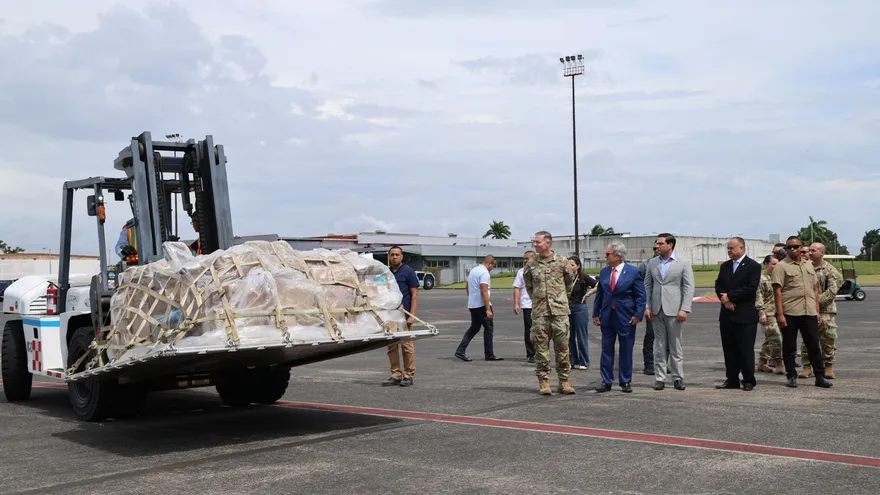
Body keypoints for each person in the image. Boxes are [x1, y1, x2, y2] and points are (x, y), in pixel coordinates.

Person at [771, 236, 833, 388]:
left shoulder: (809, 265)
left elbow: (815, 289)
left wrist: (817, 311)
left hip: (809, 312)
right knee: (790, 346)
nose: (792, 249)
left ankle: (819, 376)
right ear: (786, 249)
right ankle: (791, 376)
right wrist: (780, 314)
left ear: (801, 247)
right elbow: (777, 291)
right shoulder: (781, 266)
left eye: (796, 246)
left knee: (813, 346)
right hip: (790, 312)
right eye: (789, 247)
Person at [523, 231, 576, 395]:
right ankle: (544, 382)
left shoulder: (562, 262)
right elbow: (529, 286)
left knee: (563, 348)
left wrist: (560, 299)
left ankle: (564, 381)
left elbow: (569, 284)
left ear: (548, 243)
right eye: (534, 242)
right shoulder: (531, 264)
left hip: (559, 312)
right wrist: (538, 301)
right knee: (541, 349)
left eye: (537, 242)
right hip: (540, 313)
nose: (535, 244)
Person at [592, 242, 646, 393]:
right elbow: (600, 295)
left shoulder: (633, 272)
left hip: (626, 317)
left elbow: (641, 296)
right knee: (606, 349)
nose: (605, 257)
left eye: (607, 254)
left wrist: (638, 315)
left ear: (617, 256)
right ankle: (606, 381)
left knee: (626, 349)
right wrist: (596, 314)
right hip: (607, 316)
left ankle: (625, 381)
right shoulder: (604, 272)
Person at [644, 233, 695, 391]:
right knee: (659, 345)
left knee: (675, 346)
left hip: (674, 310)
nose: (657, 246)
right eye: (657, 244)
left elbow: (688, 287)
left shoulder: (683, 263)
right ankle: (659, 378)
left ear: (670, 245)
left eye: (660, 244)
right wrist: (647, 306)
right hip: (656, 309)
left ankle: (678, 377)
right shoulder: (652, 263)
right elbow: (647, 285)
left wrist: (684, 308)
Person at [714, 237, 762, 390]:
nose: (729, 251)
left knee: (745, 349)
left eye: (732, 248)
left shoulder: (753, 266)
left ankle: (748, 380)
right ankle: (732, 379)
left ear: (742, 248)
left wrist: (731, 296)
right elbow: (719, 285)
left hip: (745, 314)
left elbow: (750, 288)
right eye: (728, 248)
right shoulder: (725, 266)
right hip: (727, 314)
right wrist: (725, 300)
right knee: (729, 349)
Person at [799, 242, 843, 380]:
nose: (809, 253)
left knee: (828, 339)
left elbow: (831, 292)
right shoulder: (804, 268)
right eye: (809, 250)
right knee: (808, 339)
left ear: (822, 253)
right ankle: (807, 366)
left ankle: (828, 366)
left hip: (826, 311)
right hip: (807, 310)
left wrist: (814, 303)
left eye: (813, 250)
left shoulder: (831, 271)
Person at [382, 246, 420, 387]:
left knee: (406, 346)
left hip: (405, 315)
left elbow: (414, 295)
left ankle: (409, 375)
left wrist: (412, 316)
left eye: (397, 255)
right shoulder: (387, 272)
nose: (394, 257)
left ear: (402, 256)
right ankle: (396, 374)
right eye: (392, 255)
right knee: (391, 346)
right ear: (389, 256)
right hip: (391, 315)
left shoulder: (408, 272)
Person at [455, 256, 502, 362]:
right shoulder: (484, 273)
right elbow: (484, 291)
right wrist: (488, 309)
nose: (492, 269)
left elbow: (467, 286)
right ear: (489, 263)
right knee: (488, 328)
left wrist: (472, 297)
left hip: (473, 304)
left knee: (475, 328)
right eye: (493, 266)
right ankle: (489, 354)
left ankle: (460, 349)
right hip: (481, 305)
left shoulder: (474, 270)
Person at [755, 255, 784, 374]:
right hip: (767, 313)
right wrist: (761, 312)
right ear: (766, 264)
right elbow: (758, 297)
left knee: (769, 339)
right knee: (776, 338)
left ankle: (762, 362)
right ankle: (779, 363)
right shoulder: (761, 279)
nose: (776, 266)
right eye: (773, 264)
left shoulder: (779, 278)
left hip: (779, 312)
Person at [567, 256, 595, 370]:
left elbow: (598, 285)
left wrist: (588, 294)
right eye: (568, 264)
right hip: (567, 308)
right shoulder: (566, 278)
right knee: (569, 336)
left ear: (578, 266)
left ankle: (584, 361)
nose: (570, 267)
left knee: (581, 335)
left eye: (572, 265)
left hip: (580, 308)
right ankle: (572, 360)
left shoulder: (584, 277)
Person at [638, 245, 659, 375]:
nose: (656, 249)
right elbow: (640, 286)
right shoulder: (646, 265)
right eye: (654, 248)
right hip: (651, 305)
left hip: (666, 305)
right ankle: (649, 363)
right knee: (651, 334)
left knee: (666, 337)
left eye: (659, 246)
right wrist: (645, 305)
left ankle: (663, 362)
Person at [513, 250, 536, 363]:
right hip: (527, 304)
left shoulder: (539, 270)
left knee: (542, 330)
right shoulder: (521, 272)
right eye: (524, 258)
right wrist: (516, 303)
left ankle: (541, 352)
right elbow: (517, 287)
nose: (525, 260)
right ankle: (531, 353)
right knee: (529, 330)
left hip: (540, 304)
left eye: (527, 258)